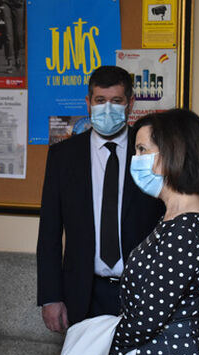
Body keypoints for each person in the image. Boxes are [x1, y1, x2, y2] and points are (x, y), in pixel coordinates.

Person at [53, 109, 199, 355]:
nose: (136, 159)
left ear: (172, 153)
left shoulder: (188, 226)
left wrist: (96, 347)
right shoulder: (174, 215)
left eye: (143, 150)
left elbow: (147, 319)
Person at [37, 66, 164, 333]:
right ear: (88, 103)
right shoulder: (63, 156)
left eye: (116, 101)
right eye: (100, 101)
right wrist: (50, 296)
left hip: (141, 294)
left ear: (131, 103)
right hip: (83, 294)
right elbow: (49, 231)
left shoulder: (150, 154)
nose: (108, 108)